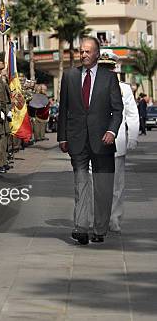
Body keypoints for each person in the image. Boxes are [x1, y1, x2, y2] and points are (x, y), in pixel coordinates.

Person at [57, 37, 123, 245]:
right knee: (81, 184)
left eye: (87, 51)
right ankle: (81, 227)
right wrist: (62, 137)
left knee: (103, 186)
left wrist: (112, 132)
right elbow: (63, 109)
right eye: (81, 51)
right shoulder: (69, 76)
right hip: (77, 140)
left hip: (103, 140)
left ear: (96, 54)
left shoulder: (109, 78)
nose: (83, 55)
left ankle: (100, 228)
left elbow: (117, 110)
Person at [92, 53, 139, 233]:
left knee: (117, 184)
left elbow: (132, 115)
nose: (107, 71)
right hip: (95, 142)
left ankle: (114, 217)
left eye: (109, 68)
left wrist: (133, 136)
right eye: (103, 68)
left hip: (117, 142)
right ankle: (96, 216)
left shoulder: (124, 89)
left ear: (114, 69)